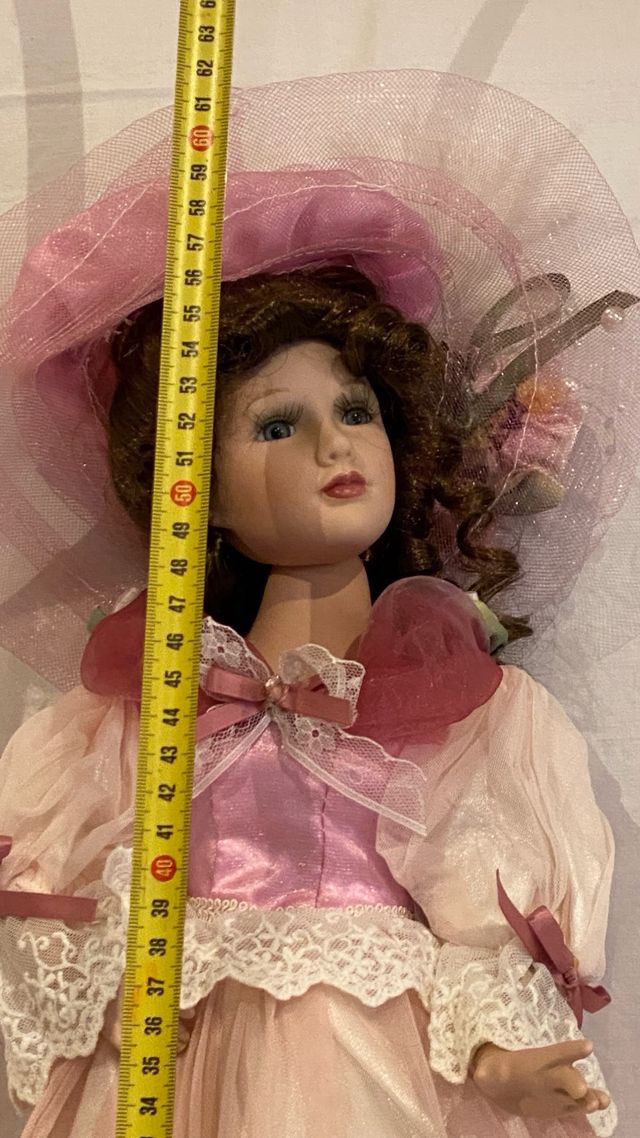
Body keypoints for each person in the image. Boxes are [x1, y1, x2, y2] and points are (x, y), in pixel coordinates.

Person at [0, 70, 638, 1138]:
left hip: (371, 1066)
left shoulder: (454, 702)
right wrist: (118, 981)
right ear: (194, 489)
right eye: (275, 425)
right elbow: (57, 882)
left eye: (354, 409)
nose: (333, 443)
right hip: (172, 1062)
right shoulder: (151, 693)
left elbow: (476, 908)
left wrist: (503, 1055)